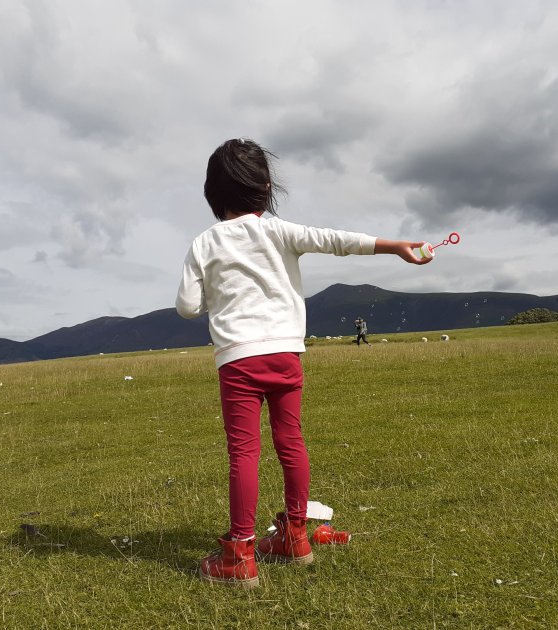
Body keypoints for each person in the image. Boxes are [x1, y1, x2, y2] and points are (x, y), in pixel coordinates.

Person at [175, 138, 431, 588]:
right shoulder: (280, 231)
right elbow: (336, 240)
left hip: (238, 358)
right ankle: (295, 537)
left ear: (212, 192)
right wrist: (395, 246)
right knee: (290, 440)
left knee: (244, 452)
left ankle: (240, 555)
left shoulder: (204, 243)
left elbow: (187, 307)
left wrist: (219, 294)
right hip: (286, 354)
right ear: (266, 187)